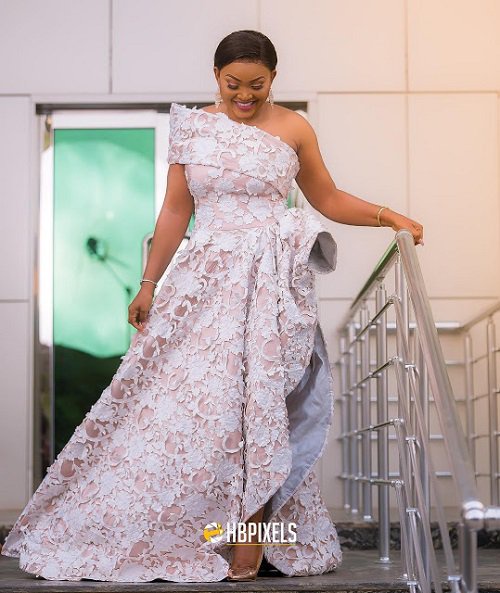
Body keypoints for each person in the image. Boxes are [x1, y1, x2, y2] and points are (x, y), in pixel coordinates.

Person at [1, 30, 423, 583]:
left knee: (260, 404)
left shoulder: (295, 128)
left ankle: (252, 536)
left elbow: (328, 198)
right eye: (232, 85)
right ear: (216, 78)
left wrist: (390, 217)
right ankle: (199, 530)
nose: (244, 96)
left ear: (274, 78)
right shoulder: (193, 127)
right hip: (202, 284)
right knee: (193, 408)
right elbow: (176, 211)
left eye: (256, 85)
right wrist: (148, 284)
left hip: (269, 284)